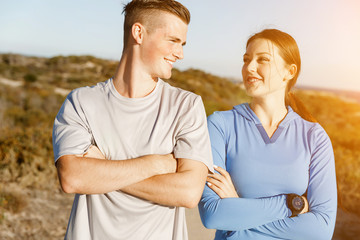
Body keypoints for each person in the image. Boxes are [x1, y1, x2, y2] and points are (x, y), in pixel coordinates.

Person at [52, 0, 213, 239]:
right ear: (138, 33)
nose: (180, 53)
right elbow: (73, 178)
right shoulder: (82, 101)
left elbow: (188, 193)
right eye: (173, 41)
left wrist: (103, 167)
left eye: (182, 44)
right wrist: (157, 164)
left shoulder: (186, 106)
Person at [198, 29, 337, 239]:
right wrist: (292, 205)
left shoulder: (314, 137)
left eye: (262, 59)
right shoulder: (220, 125)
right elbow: (212, 215)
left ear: (289, 72)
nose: (249, 67)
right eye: (246, 60)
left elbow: (321, 229)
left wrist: (237, 210)